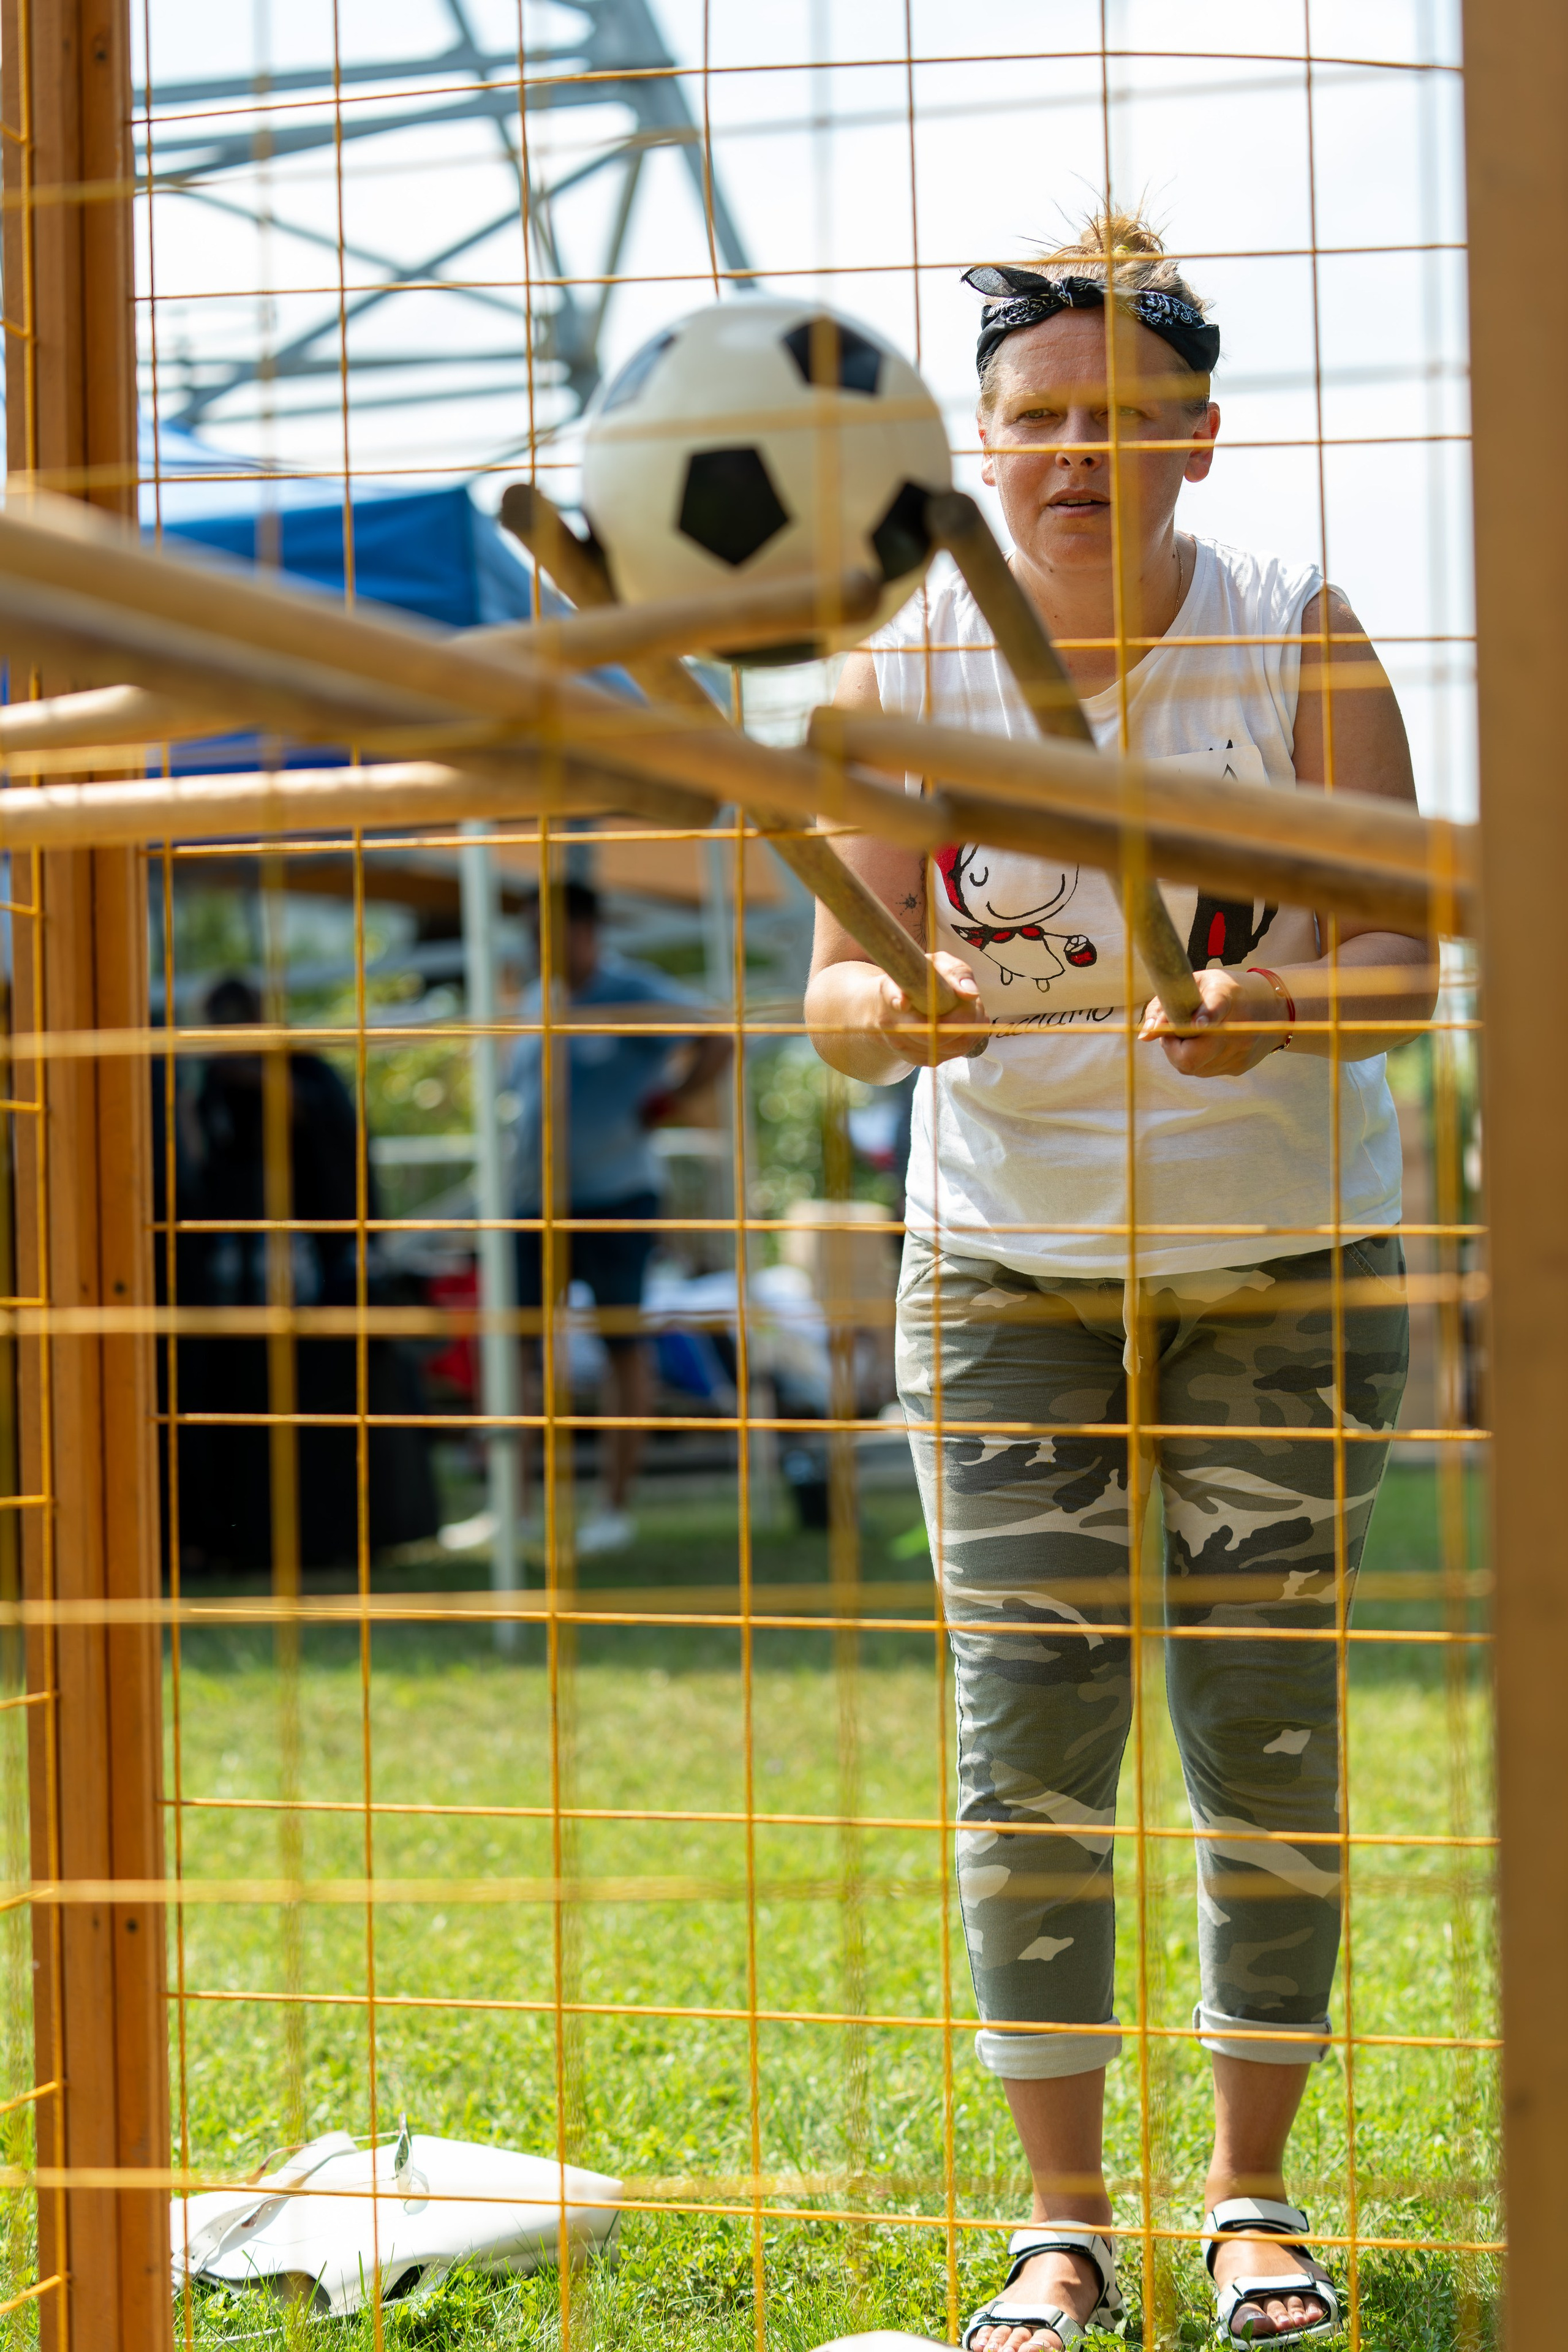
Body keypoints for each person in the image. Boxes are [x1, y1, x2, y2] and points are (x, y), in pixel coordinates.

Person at [805, 209, 1432, 2351]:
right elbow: (834, 980)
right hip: (1007, 1268)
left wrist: (1277, 1013)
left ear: (1201, 444)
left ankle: (1250, 2203)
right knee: (1030, 1738)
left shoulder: (1299, 636)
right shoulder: (909, 665)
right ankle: (1057, 2230)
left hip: (1291, 1262)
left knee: (1265, 1725)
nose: (1075, 453)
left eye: (1120, 420)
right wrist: (897, 1014)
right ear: (985, 450)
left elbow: (1402, 963)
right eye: (1037, 419)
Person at [508, 880, 732, 1555]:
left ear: (585, 931)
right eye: (529, 932)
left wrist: (669, 1100)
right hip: (533, 1206)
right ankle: (515, 1510)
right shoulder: (534, 1001)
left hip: (616, 1198)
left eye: (546, 930)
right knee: (515, 1350)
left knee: (621, 1348)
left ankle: (613, 1510)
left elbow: (717, 1035)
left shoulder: (629, 990)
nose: (535, 945)